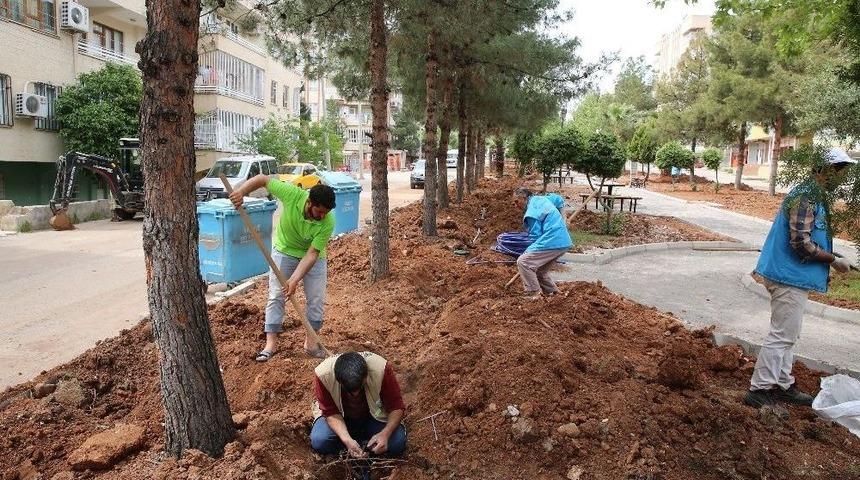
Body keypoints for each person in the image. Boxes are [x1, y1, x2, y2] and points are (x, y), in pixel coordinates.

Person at [745, 148, 856, 408]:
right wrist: (833, 260)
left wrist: (833, 254)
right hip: (787, 277)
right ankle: (759, 389)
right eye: (838, 171)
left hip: (791, 276)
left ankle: (783, 383)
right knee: (782, 335)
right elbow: (800, 243)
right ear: (823, 170)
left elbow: (808, 237)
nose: (841, 177)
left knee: (788, 334)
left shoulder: (813, 194)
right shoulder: (806, 196)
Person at [228, 174, 336, 361]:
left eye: (325, 213)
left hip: (313, 257)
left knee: (316, 299)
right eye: (319, 212)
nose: (322, 216)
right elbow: (262, 179)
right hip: (285, 250)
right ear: (310, 202)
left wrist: (294, 279)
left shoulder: (328, 221)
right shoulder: (292, 194)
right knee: (276, 295)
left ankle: (311, 344)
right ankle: (270, 344)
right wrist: (241, 192)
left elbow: (312, 254)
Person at [310, 351, 407, 459]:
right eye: (349, 391)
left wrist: (385, 434)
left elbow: (396, 406)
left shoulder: (380, 369)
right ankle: (349, 449)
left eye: (360, 388)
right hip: (340, 417)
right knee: (320, 440)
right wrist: (347, 440)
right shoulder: (324, 375)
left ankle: (369, 446)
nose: (355, 395)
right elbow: (330, 412)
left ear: (366, 376)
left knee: (397, 443)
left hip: (374, 415)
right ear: (338, 381)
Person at [513, 188, 573, 299]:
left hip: (553, 240)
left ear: (524, 198)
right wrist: (563, 216)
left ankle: (533, 293)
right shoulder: (540, 199)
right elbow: (558, 199)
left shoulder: (531, 213)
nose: (515, 205)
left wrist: (529, 251)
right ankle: (553, 293)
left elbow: (536, 237)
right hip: (563, 241)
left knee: (524, 262)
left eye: (516, 201)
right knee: (540, 271)